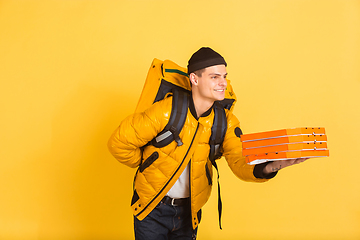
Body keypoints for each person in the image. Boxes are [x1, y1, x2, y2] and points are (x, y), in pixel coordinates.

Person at [108, 47, 307, 240]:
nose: (223, 83)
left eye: (224, 76)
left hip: (189, 213)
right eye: (214, 77)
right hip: (152, 209)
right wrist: (146, 162)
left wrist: (272, 165)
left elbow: (240, 161)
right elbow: (119, 142)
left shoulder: (226, 121)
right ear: (194, 79)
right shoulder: (166, 110)